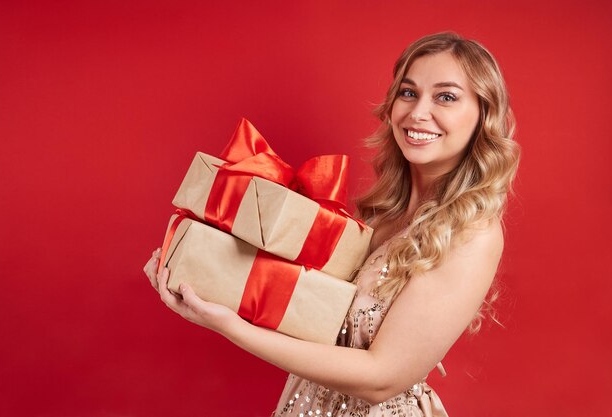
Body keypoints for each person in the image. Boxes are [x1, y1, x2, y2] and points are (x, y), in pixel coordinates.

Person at [143, 32, 520, 416]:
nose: (418, 112)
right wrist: (209, 284)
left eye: (446, 97)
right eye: (408, 93)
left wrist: (231, 327)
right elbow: (316, 324)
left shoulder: (471, 233)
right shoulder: (382, 215)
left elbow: (382, 378)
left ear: (482, 117)